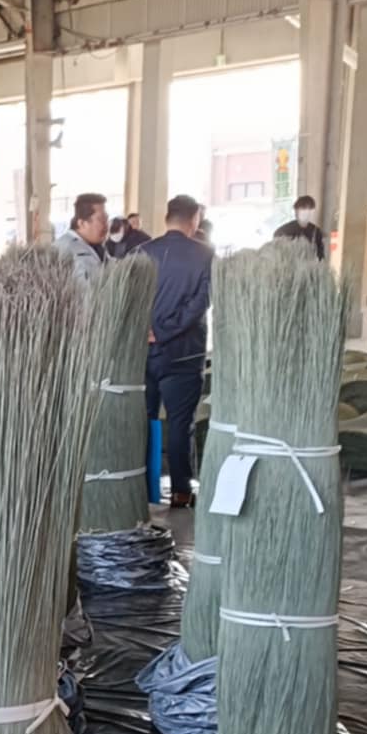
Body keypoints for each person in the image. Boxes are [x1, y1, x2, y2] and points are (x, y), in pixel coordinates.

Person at [140, 195, 213, 510]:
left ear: (167, 216)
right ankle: (181, 493)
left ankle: (144, 489)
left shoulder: (142, 252)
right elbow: (200, 303)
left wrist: (148, 330)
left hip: (145, 353)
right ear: (194, 218)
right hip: (183, 355)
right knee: (181, 425)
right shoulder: (205, 255)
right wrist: (167, 330)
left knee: (144, 421)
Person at [52, 193, 109, 283]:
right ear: (82, 223)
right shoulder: (63, 249)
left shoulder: (98, 248)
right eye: (101, 220)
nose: (106, 226)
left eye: (106, 219)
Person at [272, 195, 327, 259]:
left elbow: (320, 256)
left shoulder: (316, 232)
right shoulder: (282, 232)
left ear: (312, 211)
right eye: (298, 209)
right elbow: (278, 255)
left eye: (305, 209)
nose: (300, 213)